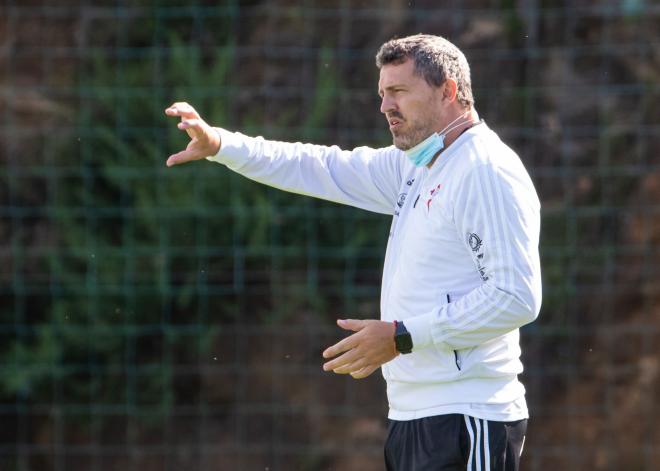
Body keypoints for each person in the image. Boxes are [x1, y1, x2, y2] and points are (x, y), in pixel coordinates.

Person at [165, 34, 541, 471]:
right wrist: (223, 147)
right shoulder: (416, 166)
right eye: (382, 93)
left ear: (448, 91)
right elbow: (320, 166)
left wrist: (402, 335)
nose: (385, 106)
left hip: (469, 417)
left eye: (399, 91)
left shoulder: (484, 170)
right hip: (412, 417)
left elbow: (516, 297)